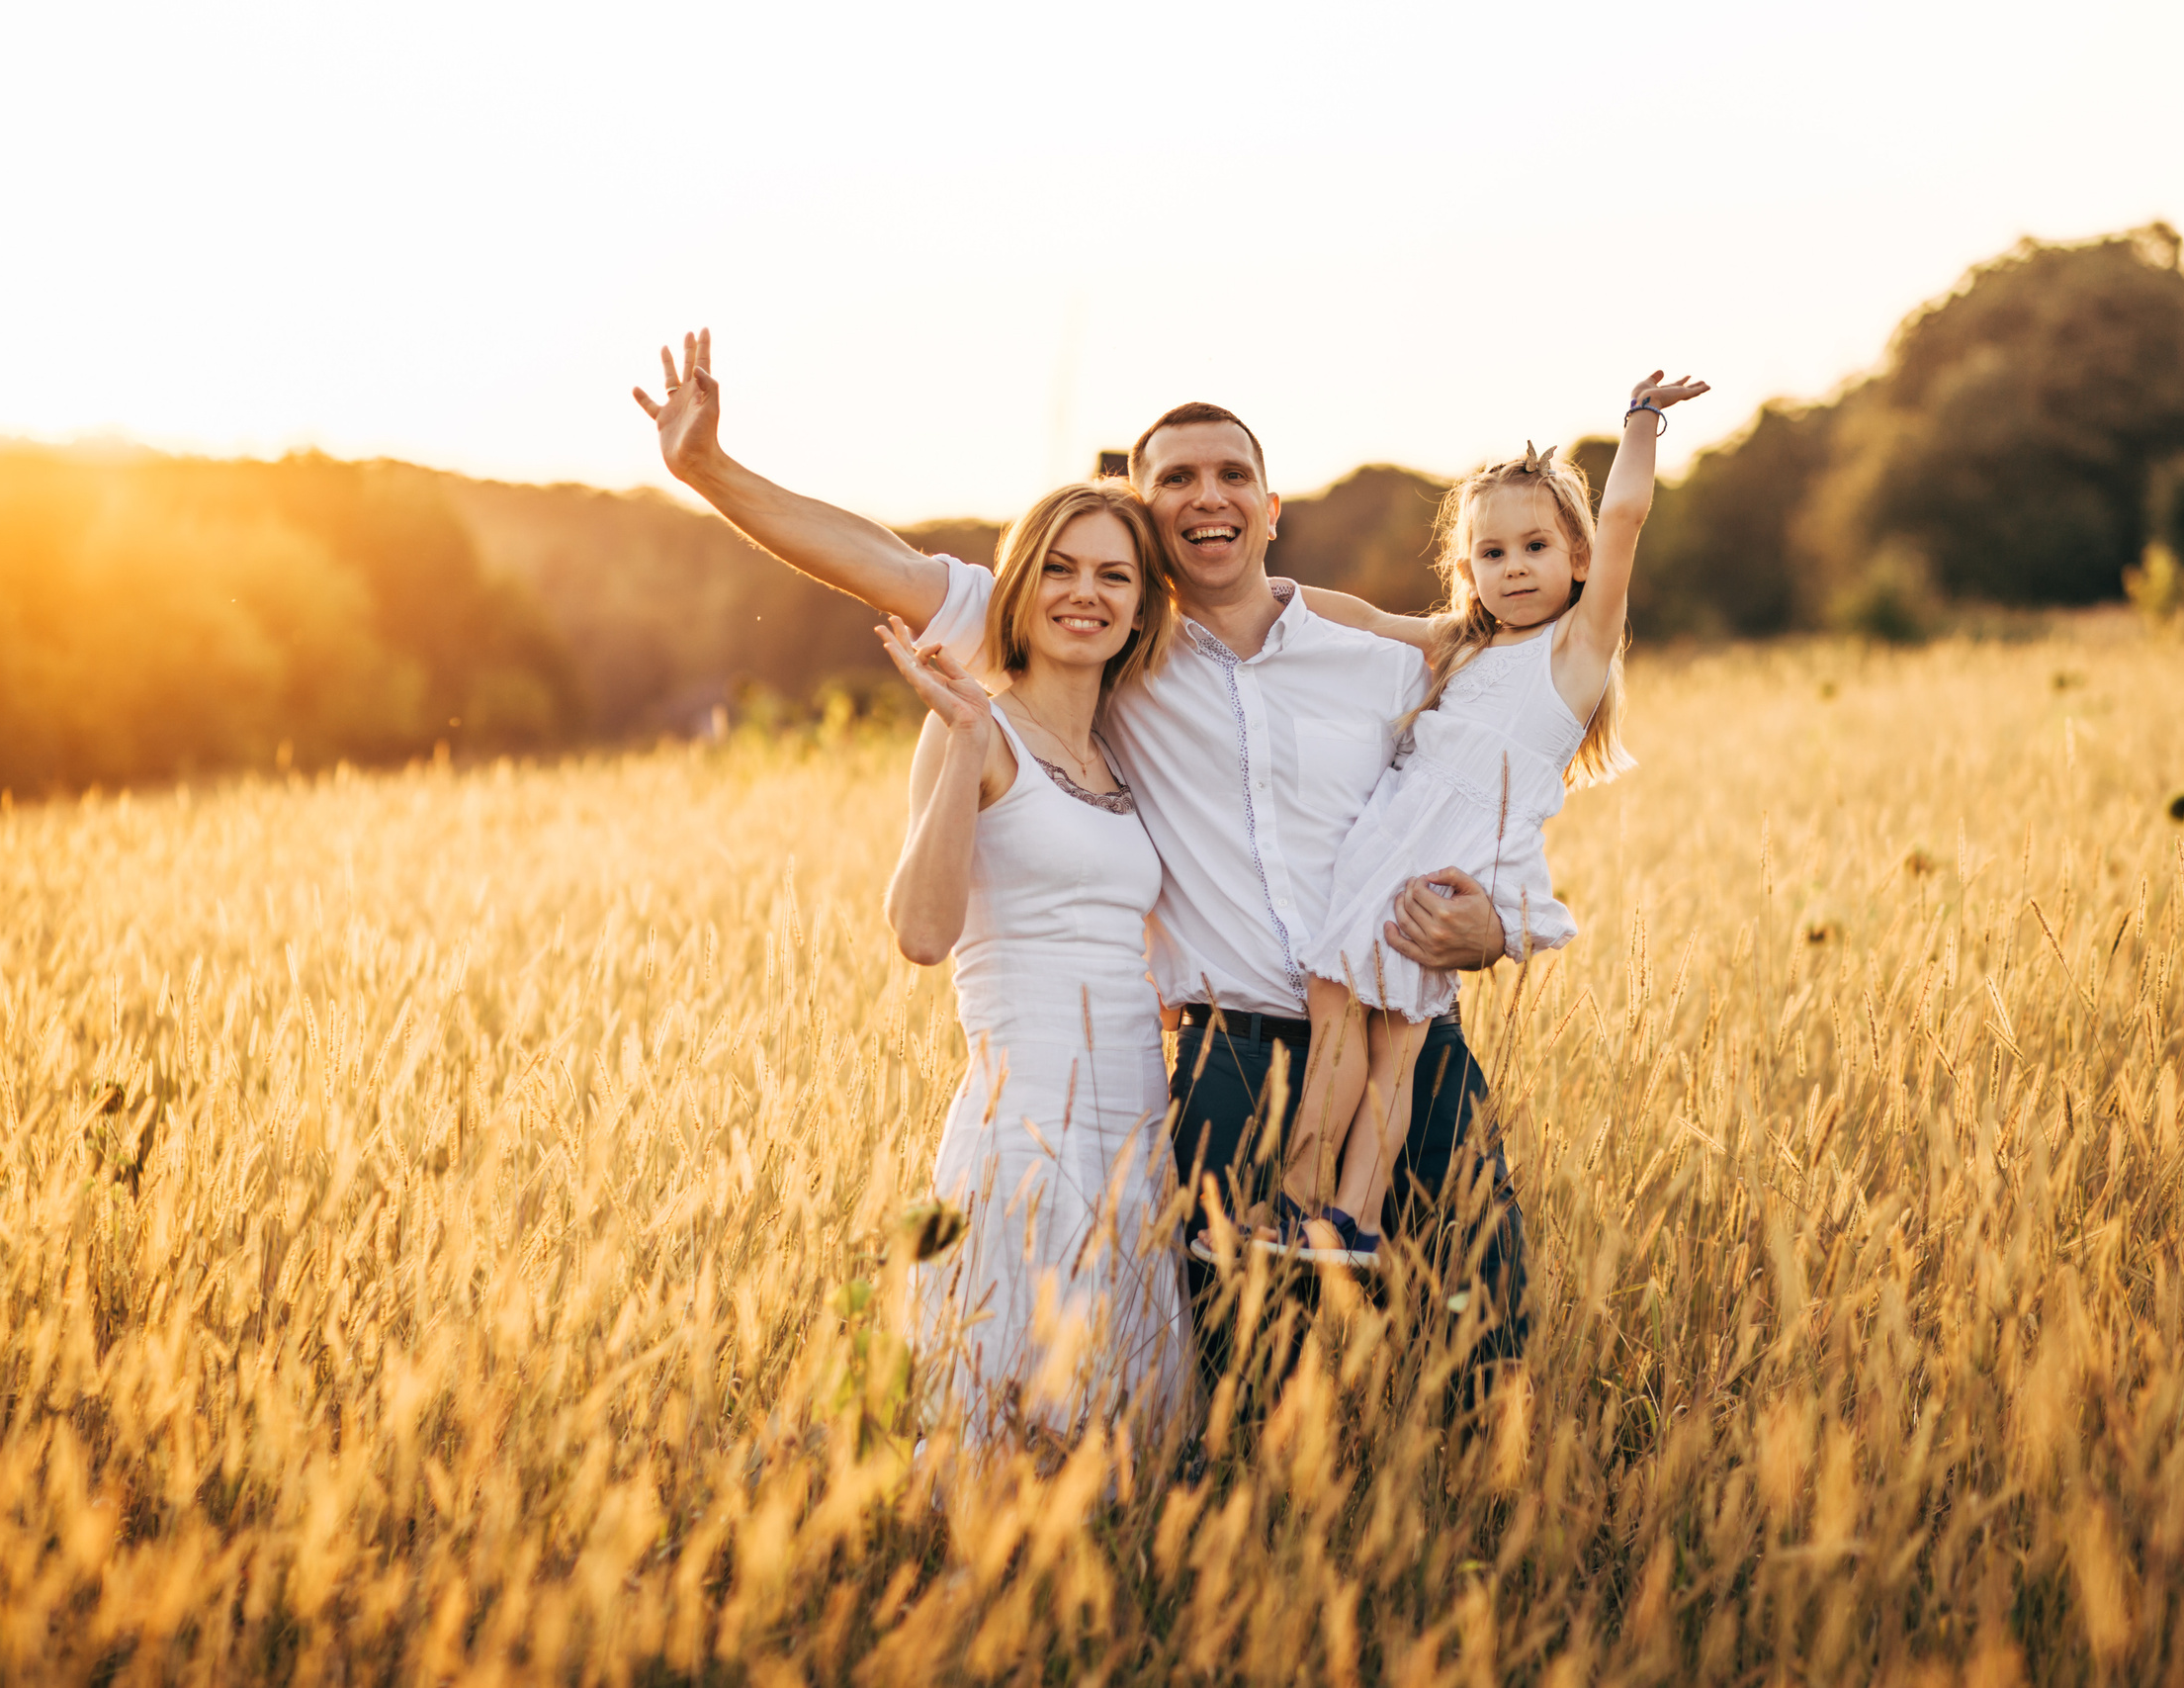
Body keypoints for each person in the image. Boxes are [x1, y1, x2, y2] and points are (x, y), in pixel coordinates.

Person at [634, 332, 1530, 1388]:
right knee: (1247, 1396)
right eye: (1177, 479)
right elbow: (880, 562)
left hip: (1405, 1051)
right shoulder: (1102, 646)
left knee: (1483, 1358)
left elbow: (1504, 773)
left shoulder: (1371, 655)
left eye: (1232, 474)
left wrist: (1497, 922)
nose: (1209, 496)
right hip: (1231, 1069)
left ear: (1269, 506)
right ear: (1147, 517)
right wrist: (709, 470)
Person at [1268, 373, 1710, 1267]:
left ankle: (1327, 1210)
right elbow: (1364, 618)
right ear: (1468, 569)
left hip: (1447, 860)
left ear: (1577, 558)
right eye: (1492, 552)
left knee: (1375, 1033)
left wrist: (1641, 424)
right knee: (1356, 1023)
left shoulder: (1575, 649)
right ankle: (1331, 1217)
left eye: (1536, 547)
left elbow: (1625, 516)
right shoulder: (1461, 643)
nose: (1513, 567)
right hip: (1390, 839)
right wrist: (1261, 591)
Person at [873, 476, 1190, 1436]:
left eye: (1113, 575)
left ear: (1141, 606)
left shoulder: (1123, 753)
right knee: (1008, 1430)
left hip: (1135, 1126)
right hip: (1028, 1127)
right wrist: (969, 737)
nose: (1084, 592)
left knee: (1118, 1445)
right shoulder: (975, 724)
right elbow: (921, 933)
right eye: (1058, 568)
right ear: (1019, 586)